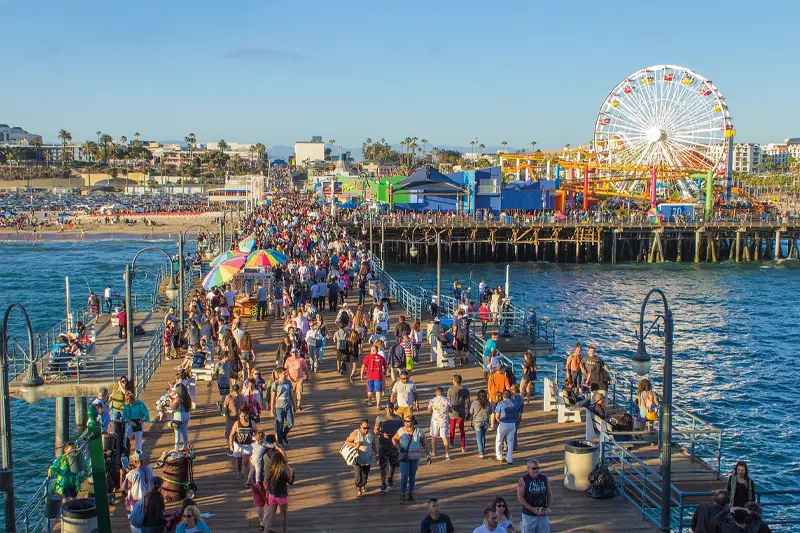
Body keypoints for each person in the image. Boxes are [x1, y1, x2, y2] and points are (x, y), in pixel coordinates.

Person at [393, 414, 430, 503]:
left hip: (415, 457)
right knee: (404, 476)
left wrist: (428, 455)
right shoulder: (401, 430)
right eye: (405, 421)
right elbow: (394, 439)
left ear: (413, 422)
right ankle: (402, 493)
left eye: (408, 421)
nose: (406, 423)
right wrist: (398, 447)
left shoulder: (419, 431)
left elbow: (424, 444)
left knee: (412, 477)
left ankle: (411, 493)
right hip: (404, 458)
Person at [263, 446, 295, 533]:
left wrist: (268, 492)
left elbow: (267, 483)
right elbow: (290, 482)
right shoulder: (282, 472)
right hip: (281, 496)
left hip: (272, 495)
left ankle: (265, 531)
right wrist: (292, 474)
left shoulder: (269, 471)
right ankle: (284, 531)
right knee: (283, 515)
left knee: (271, 517)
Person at [374, 402, 403, 493]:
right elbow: (375, 430)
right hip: (383, 443)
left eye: (391, 409)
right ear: (385, 409)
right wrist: (382, 434)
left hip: (394, 444)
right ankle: (383, 483)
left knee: (393, 463)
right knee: (383, 464)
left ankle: (390, 477)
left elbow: (402, 431)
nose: (389, 410)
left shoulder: (398, 419)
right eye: (387, 409)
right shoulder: (380, 418)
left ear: (393, 409)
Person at [516, 459, 552, 533]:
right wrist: (532, 509)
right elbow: (520, 498)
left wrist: (548, 507)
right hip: (528, 515)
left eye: (537, 468)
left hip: (542, 514)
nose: (536, 470)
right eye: (533, 468)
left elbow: (549, 494)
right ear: (528, 469)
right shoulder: (523, 480)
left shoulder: (544, 479)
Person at [345, 418, 377, 499]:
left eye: (368, 428)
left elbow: (373, 444)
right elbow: (347, 442)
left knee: (365, 475)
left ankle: (363, 484)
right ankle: (358, 489)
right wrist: (355, 444)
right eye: (364, 428)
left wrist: (377, 454)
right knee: (358, 475)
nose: (366, 430)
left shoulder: (371, 433)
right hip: (357, 458)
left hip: (367, 458)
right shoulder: (355, 433)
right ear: (360, 427)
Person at [123, 451, 154, 519]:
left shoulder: (132, 473)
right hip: (148, 501)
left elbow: (125, 488)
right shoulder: (150, 469)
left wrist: (127, 473)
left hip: (136, 504)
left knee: (127, 501)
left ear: (135, 461)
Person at [229, 408, 257, 482]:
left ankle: (247, 478)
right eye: (242, 416)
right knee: (239, 460)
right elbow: (231, 435)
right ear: (239, 416)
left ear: (248, 415)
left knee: (246, 461)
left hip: (248, 444)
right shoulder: (236, 423)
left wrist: (256, 440)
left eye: (245, 416)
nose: (244, 418)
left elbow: (256, 432)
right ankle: (239, 472)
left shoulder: (252, 423)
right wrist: (231, 445)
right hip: (238, 444)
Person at [492, 390, 519, 464]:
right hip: (512, 423)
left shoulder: (501, 403)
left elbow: (497, 415)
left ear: (503, 396)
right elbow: (518, 414)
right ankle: (509, 458)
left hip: (503, 423)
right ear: (510, 396)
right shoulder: (515, 403)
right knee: (510, 442)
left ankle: (499, 455)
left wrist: (499, 421)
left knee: (499, 440)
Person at [271, 367, 296, 446]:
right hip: (279, 407)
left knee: (291, 423)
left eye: (286, 373)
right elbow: (273, 398)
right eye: (284, 373)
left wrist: (294, 405)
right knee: (280, 425)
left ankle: (284, 435)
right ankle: (280, 441)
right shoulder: (276, 384)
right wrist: (272, 410)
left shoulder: (288, 382)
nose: (286, 374)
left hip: (288, 406)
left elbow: (291, 395)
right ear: (279, 374)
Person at [447, 374, 470, 453]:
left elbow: (448, 401)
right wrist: (468, 410)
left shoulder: (450, 389)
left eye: (452, 380)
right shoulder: (465, 389)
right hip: (461, 410)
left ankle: (451, 443)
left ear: (455, 381)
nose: (452, 381)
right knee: (461, 429)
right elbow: (468, 401)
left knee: (452, 428)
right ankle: (463, 446)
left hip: (453, 411)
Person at [427, 387, 452, 460]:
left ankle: (434, 452)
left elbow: (428, 411)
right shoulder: (447, 400)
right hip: (444, 421)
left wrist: (434, 411)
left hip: (435, 421)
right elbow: (451, 410)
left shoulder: (432, 400)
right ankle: (447, 454)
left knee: (434, 437)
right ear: (443, 392)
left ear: (436, 392)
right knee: (444, 437)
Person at [361, 344, 388, 410]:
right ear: (377, 350)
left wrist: (361, 375)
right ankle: (378, 405)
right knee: (378, 390)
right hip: (378, 376)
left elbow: (363, 367)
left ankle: (370, 402)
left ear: (372, 350)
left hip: (370, 376)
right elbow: (385, 365)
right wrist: (385, 372)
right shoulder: (381, 358)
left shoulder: (367, 357)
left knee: (370, 390)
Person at [171, 383, 192, 451]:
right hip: (186, 415)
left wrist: (171, 401)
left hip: (179, 417)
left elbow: (173, 407)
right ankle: (185, 446)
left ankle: (176, 448)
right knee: (184, 432)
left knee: (177, 433)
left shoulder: (178, 399)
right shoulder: (187, 397)